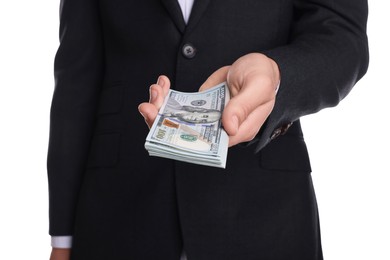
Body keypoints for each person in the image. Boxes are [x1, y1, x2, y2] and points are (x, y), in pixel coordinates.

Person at [48, 0, 369, 259]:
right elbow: (77, 80)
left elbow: (341, 36)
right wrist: (63, 238)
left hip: (265, 215)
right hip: (118, 217)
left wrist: (276, 74)